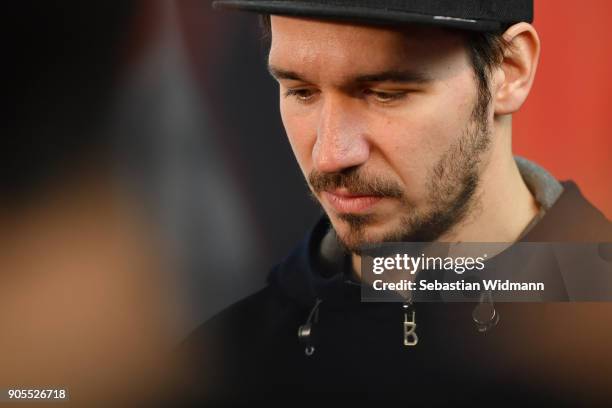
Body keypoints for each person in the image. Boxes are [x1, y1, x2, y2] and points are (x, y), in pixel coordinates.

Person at [181, 1, 612, 405]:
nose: (331, 154)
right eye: (301, 92)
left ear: (510, 70)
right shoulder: (215, 372)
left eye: (385, 93)